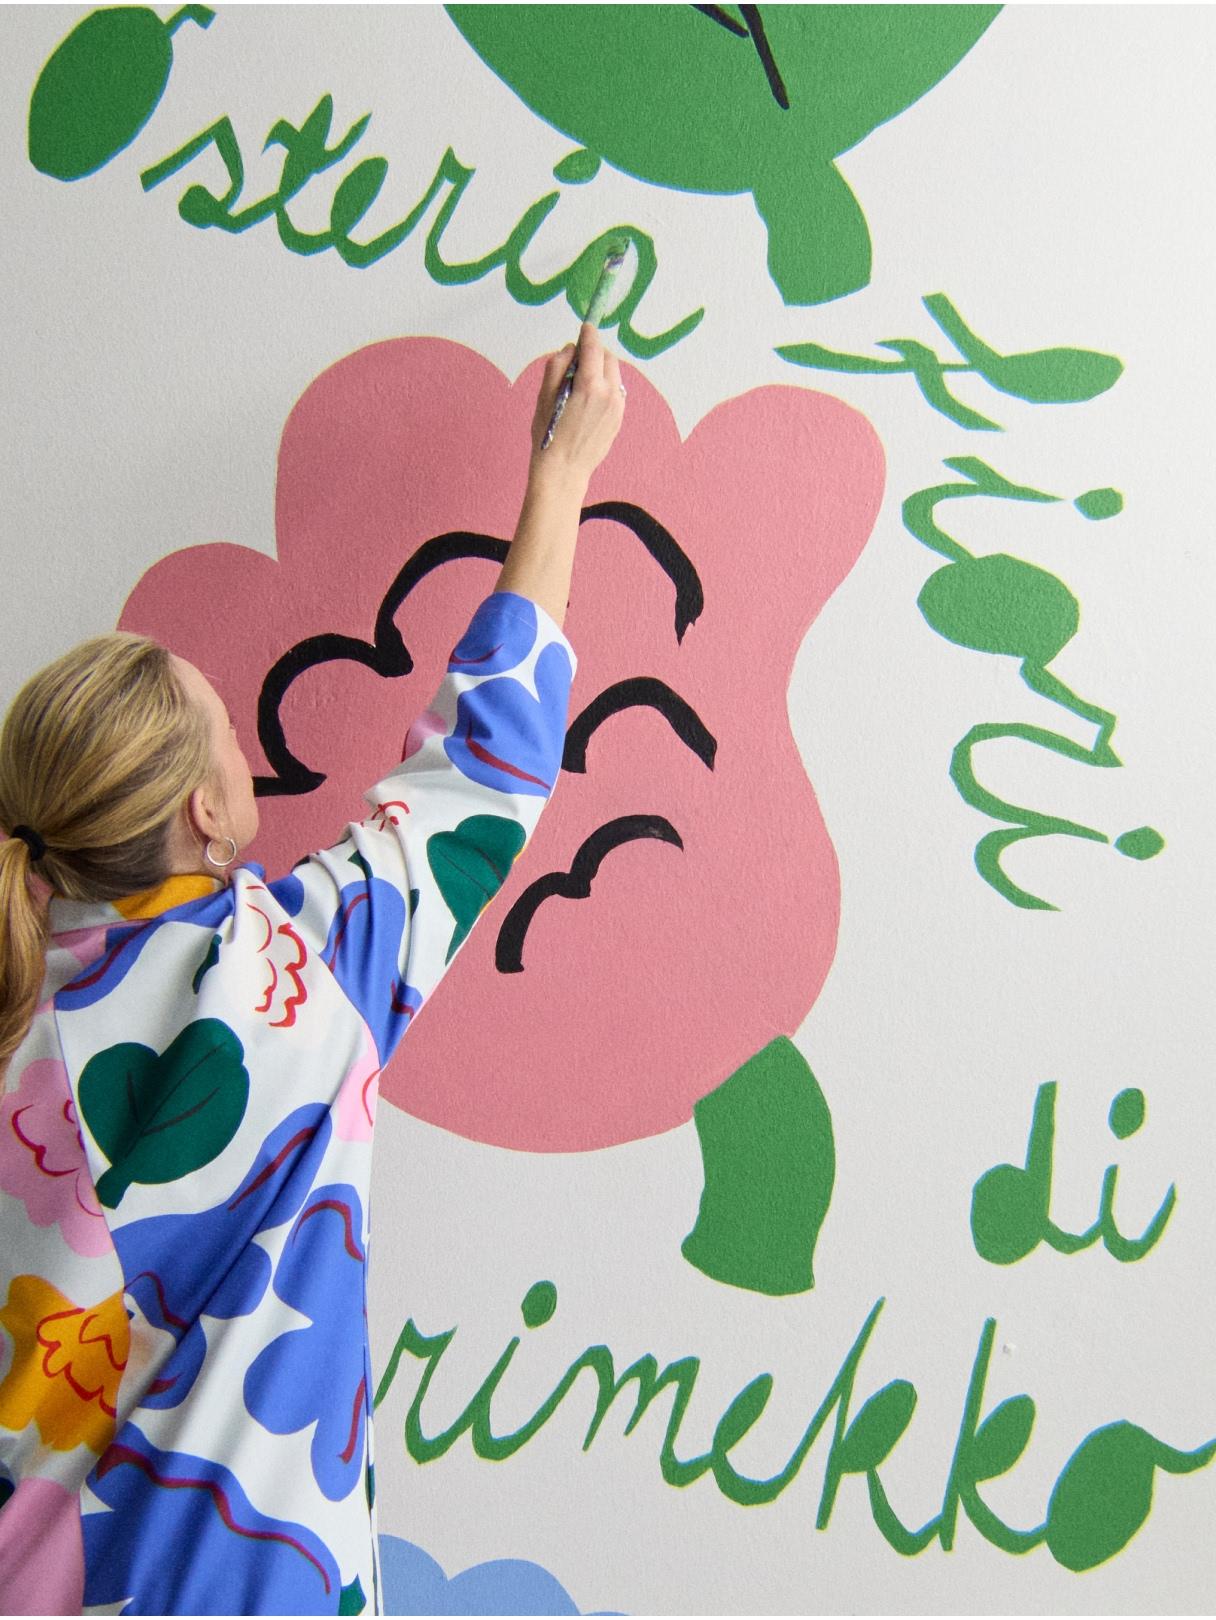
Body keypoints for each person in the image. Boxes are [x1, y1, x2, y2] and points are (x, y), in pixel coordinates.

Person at [0, 328, 625, 1616]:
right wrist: (556, 482)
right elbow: (488, 766)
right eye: (230, 736)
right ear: (201, 820)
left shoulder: (17, 1029)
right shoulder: (295, 980)